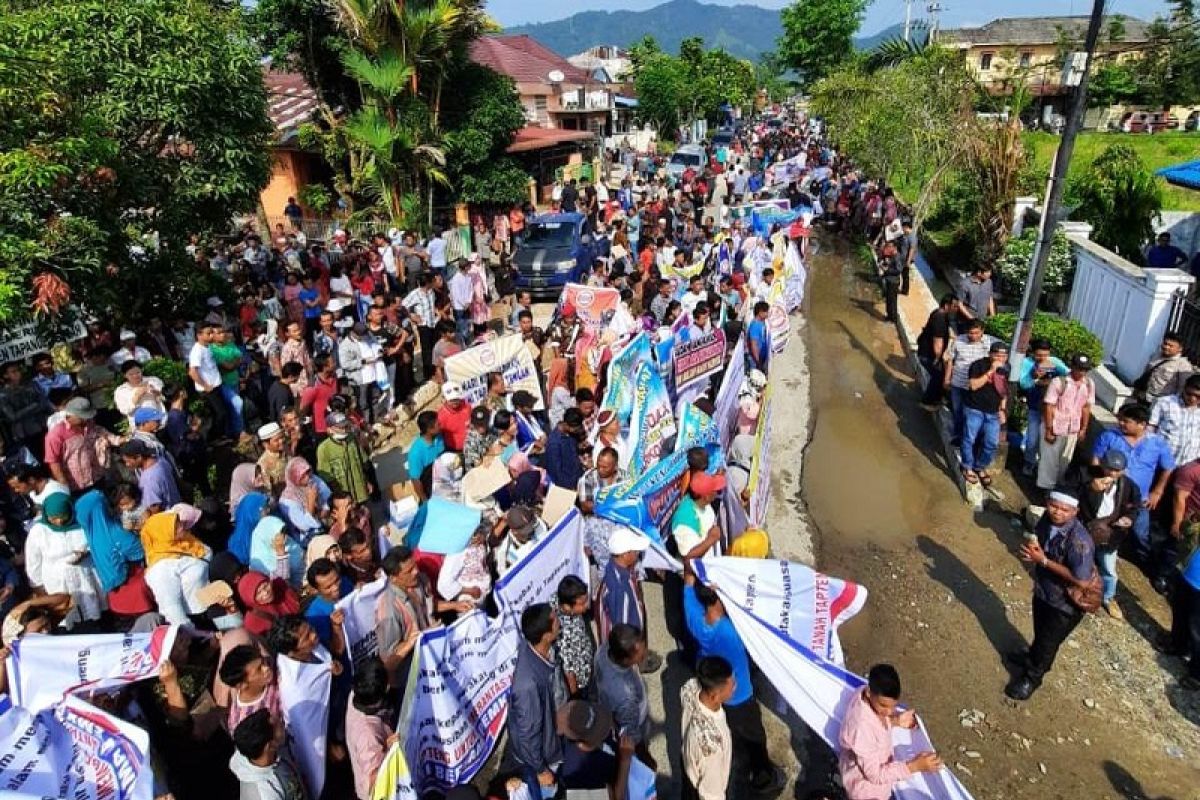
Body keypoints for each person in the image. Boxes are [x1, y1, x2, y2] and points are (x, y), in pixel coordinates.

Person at [682, 569, 781, 794]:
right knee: (754, 734)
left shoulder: (695, 618)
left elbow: (688, 582)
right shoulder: (732, 633)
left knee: (736, 727)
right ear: (718, 599)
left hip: (719, 686)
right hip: (739, 694)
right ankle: (762, 775)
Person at [1006, 491, 1097, 700]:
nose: (1058, 512)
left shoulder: (1080, 542)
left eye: (1065, 510)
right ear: (1047, 504)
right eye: (1054, 506)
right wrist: (1036, 551)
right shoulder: (1047, 519)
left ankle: (1032, 677)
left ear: (1075, 512)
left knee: (1049, 642)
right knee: (1040, 631)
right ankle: (1031, 656)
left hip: (1065, 603)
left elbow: (1081, 580)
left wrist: (1043, 561)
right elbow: (1040, 537)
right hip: (1045, 589)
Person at [1091, 402, 1175, 569]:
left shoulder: (1157, 443)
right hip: (1111, 493)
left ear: (1142, 424)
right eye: (1120, 420)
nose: (1121, 424)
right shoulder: (1109, 436)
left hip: (1139, 499)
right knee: (1101, 524)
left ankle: (1147, 563)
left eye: (1126, 421)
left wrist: (1157, 491)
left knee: (1140, 533)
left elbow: (1168, 468)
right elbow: (1095, 460)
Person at [838, 664, 942, 798]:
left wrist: (895, 721)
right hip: (868, 792)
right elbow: (875, 775)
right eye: (884, 706)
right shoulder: (860, 728)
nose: (889, 711)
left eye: (894, 706)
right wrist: (914, 766)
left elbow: (874, 728)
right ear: (869, 692)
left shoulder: (865, 695)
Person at [504, 602, 563, 794]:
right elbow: (528, 734)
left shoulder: (532, 646)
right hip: (542, 758)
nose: (559, 622)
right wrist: (540, 770)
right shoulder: (528, 685)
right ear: (545, 635)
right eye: (555, 621)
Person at [1072, 454, 1140, 619]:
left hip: (1110, 533)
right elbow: (1068, 494)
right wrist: (1090, 488)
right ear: (1101, 464)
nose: (1112, 473)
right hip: (1084, 527)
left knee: (1108, 569)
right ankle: (1074, 587)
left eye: (1117, 470)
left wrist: (1129, 519)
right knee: (1078, 560)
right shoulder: (1085, 474)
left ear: (1123, 471)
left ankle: (1108, 597)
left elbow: (1135, 508)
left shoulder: (1129, 487)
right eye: (1109, 468)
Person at [24, 493, 106, 626]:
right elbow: (34, 563)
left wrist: (86, 553)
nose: (59, 522)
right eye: (54, 518)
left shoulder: (81, 523)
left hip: (85, 575)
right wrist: (39, 589)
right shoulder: (38, 532)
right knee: (68, 616)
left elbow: (96, 542)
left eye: (63, 517)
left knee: (92, 611)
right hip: (58, 583)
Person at [596, 527, 662, 673]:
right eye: (635, 551)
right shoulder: (620, 591)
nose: (638, 554)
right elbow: (623, 632)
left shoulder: (615, 569)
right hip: (625, 653)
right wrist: (633, 653)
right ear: (625, 555)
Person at [593, 623, 655, 770]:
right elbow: (631, 734)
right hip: (634, 720)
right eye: (640, 654)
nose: (645, 653)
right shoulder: (625, 696)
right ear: (626, 660)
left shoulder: (604, 650)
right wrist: (646, 758)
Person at [1163, 458, 1200, 690]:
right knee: (1180, 611)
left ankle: (1197, 673)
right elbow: (1189, 531)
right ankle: (1177, 644)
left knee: (1198, 628)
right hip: (1190, 572)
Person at [141, 507, 212, 626]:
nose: (181, 526)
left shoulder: (183, 542)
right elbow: (171, 608)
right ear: (162, 533)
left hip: (209, 602)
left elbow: (205, 552)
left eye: (178, 522)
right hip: (196, 618)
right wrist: (196, 633)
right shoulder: (161, 569)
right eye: (175, 526)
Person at [680, 656, 735, 800]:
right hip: (703, 787)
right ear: (714, 696)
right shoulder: (712, 748)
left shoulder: (690, 688)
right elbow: (711, 794)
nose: (735, 687)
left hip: (688, 763)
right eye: (731, 686)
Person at [1037, 354, 1095, 491]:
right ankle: (1046, 489)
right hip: (1055, 425)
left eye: (1085, 370)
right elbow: (1049, 406)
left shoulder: (1089, 384)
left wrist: (1084, 428)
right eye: (1079, 369)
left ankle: (1057, 486)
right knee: (1049, 460)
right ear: (1072, 367)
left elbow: (1086, 407)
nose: (1082, 372)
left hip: (1072, 428)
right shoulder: (1059, 382)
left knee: (1065, 460)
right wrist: (1049, 429)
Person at [44, 397, 122, 493]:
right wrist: (63, 484)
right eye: (83, 417)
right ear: (71, 415)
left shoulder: (89, 424)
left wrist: (118, 440)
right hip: (77, 486)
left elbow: (101, 432)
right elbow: (53, 462)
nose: (87, 420)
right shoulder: (56, 435)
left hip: (97, 476)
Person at [229, 708, 309, 800]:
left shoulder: (264, 750)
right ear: (270, 746)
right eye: (278, 726)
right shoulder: (264, 795)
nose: (283, 723)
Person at [345, 657, 396, 800]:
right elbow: (374, 781)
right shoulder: (368, 736)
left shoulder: (358, 692)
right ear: (386, 688)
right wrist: (390, 750)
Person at [959, 342, 1009, 488]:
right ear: (990, 354)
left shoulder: (1006, 369)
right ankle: (967, 467)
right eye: (998, 355)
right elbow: (973, 385)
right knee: (969, 438)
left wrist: (1002, 409)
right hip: (974, 409)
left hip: (993, 412)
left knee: (991, 443)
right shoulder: (978, 365)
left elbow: (1004, 391)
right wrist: (991, 371)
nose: (1001, 359)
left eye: (1004, 356)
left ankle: (980, 467)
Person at [1017, 339, 1068, 477]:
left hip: (1051, 409)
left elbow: (1067, 375)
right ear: (1033, 352)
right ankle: (1029, 462)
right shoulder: (1027, 363)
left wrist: (1051, 381)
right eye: (1039, 355)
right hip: (1034, 406)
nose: (1042, 358)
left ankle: (1043, 465)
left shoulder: (1054, 362)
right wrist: (1036, 379)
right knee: (1032, 438)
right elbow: (1023, 383)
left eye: (1045, 355)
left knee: (1047, 438)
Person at [942, 319, 994, 444]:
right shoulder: (958, 341)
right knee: (958, 410)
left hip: (976, 386)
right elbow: (950, 361)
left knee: (971, 415)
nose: (973, 336)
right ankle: (958, 436)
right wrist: (947, 378)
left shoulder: (989, 343)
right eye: (970, 333)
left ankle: (970, 439)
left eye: (976, 333)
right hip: (958, 383)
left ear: (982, 331)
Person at [317, 413, 372, 505]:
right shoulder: (324, 449)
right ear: (330, 430)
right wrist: (341, 494)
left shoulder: (352, 439)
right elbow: (326, 477)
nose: (344, 430)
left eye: (345, 426)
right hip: (344, 498)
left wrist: (367, 481)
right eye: (340, 427)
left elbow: (363, 462)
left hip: (361, 491)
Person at [915, 294, 959, 409]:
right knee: (939, 375)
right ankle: (928, 401)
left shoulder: (940, 314)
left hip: (926, 351)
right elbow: (937, 343)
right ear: (946, 306)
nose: (956, 309)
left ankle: (938, 398)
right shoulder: (940, 319)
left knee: (940, 374)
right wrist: (939, 359)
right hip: (928, 354)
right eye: (954, 306)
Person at [555, 575, 596, 699]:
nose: (586, 606)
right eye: (582, 604)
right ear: (567, 607)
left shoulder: (560, 600)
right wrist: (576, 698)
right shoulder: (563, 633)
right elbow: (569, 673)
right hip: (582, 684)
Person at [1150, 373, 1200, 467]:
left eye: (1198, 397)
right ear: (1184, 388)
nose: (1192, 399)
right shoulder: (1164, 403)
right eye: (1189, 394)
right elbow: (1150, 429)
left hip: (1187, 467)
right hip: (1159, 463)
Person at [1133, 333, 1193, 404]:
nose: (1166, 347)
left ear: (1180, 349)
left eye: (1171, 346)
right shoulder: (1156, 355)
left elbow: (1182, 388)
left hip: (1162, 402)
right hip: (1144, 397)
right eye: (1165, 343)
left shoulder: (1183, 365)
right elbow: (1146, 372)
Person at [407, 411, 445, 502]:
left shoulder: (439, 437)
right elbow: (415, 480)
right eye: (438, 424)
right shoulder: (416, 453)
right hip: (430, 489)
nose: (441, 425)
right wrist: (425, 501)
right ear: (429, 429)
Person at [545, 408, 587, 490]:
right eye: (577, 428)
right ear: (568, 425)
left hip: (578, 478)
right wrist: (570, 488)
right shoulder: (554, 443)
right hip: (567, 486)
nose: (578, 430)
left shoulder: (570, 434)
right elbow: (556, 472)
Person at [437, 382, 472, 452]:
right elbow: (439, 434)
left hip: (471, 444)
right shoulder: (441, 416)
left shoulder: (467, 406)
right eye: (452, 400)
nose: (455, 402)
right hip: (455, 450)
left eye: (456, 399)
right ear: (445, 399)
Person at [747, 301, 771, 373]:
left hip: (761, 357)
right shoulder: (755, 326)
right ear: (760, 312)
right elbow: (754, 345)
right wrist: (758, 362)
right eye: (766, 312)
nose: (768, 314)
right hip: (755, 360)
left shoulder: (762, 322)